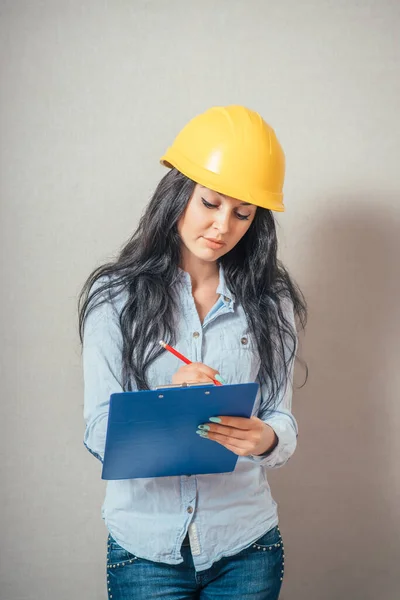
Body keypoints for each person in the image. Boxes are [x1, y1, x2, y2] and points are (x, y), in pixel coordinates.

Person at [79, 105, 307, 600]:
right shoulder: (114, 298)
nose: (222, 226)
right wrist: (168, 403)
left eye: (243, 213)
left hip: (247, 546)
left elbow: (282, 423)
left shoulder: (272, 302)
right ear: (178, 193)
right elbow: (99, 433)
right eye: (210, 202)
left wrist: (265, 438)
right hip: (146, 551)